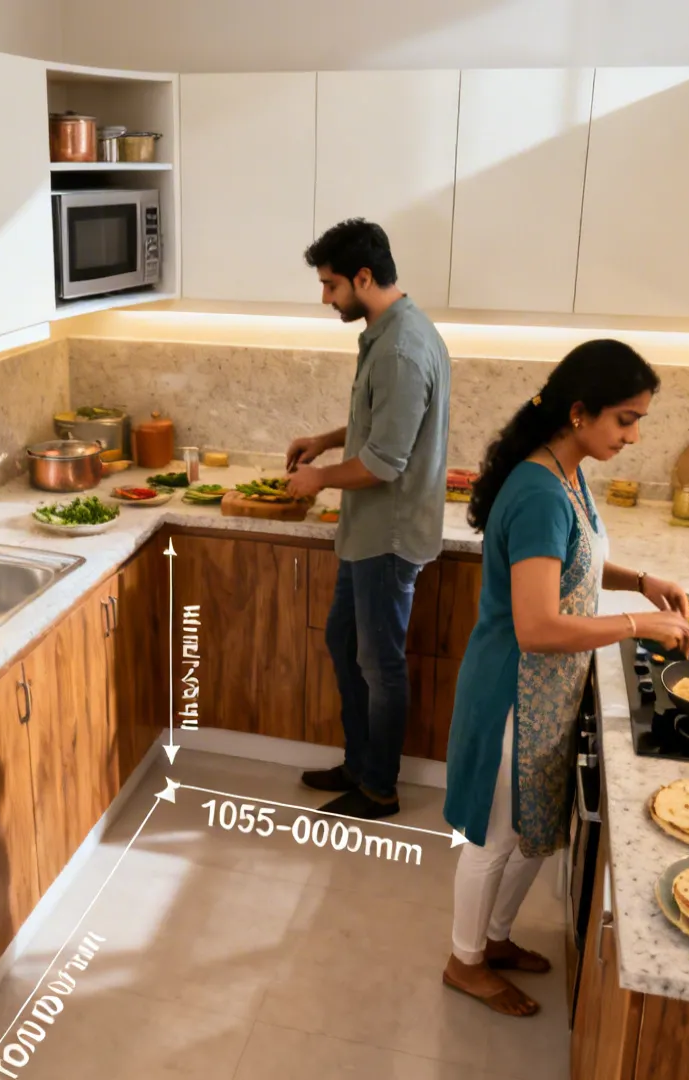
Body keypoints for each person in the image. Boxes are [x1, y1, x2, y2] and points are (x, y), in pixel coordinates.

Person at [440, 340, 689, 1017]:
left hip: (547, 691)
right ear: (580, 413)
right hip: (511, 692)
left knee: (533, 832)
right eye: (624, 419)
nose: (634, 435)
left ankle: (494, 940)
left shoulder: (568, 471)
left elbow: (574, 560)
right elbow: (538, 626)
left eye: (639, 419)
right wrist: (641, 625)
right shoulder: (537, 492)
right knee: (495, 840)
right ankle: (463, 961)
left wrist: (642, 581)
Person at [285, 218, 451, 821]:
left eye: (331, 285)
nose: (326, 297)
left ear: (363, 276)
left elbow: (384, 461)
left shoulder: (403, 349)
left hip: (389, 535)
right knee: (343, 641)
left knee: (380, 665)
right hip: (368, 532)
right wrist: (326, 440)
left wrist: (318, 479)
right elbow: (376, 429)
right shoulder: (388, 332)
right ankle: (358, 762)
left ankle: (379, 786)